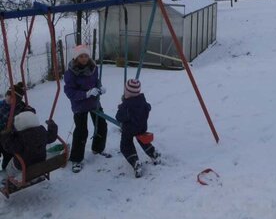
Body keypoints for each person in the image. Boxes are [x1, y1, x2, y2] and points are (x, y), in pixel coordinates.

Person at [64, 45, 108, 173]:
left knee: (101, 125)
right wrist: (86, 94)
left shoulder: (93, 68)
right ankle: (76, 159)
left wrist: (100, 87)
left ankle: (98, 149)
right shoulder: (71, 73)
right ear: (76, 58)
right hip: (80, 105)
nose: (84, 59)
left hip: (94, 102)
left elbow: (96, 81)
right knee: (81, 131)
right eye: (81, 56)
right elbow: (69, 92)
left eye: (86, 56)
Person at [116, 79, 160, 178]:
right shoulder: (142, 100)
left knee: (126, 145)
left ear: (127, 92)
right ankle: (153, 153)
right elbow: (148, 107)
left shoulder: (126, 106)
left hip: (129, 129)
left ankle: (135, 161)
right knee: (143, 140)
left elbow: (119, 117)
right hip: (142, 127)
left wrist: (121, 109)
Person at [0, 111, 58, 179]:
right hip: (40, 161)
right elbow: (52, 137)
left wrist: (5, 136)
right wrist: (52, 126)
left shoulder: (20, 138)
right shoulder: (42, 132)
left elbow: (8, 147)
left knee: (10, 165)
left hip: (23, 165)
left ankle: (7, 178)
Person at [0, 83, 36, 171]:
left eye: (12, 98)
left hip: (11, 136)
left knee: (9, 155)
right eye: (7, 95)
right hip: (1, 133)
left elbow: (32, 111)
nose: (8, 99)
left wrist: (29, 110)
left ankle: (6, 170)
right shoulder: (1, 105)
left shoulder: (20, 106)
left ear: (17, 100)